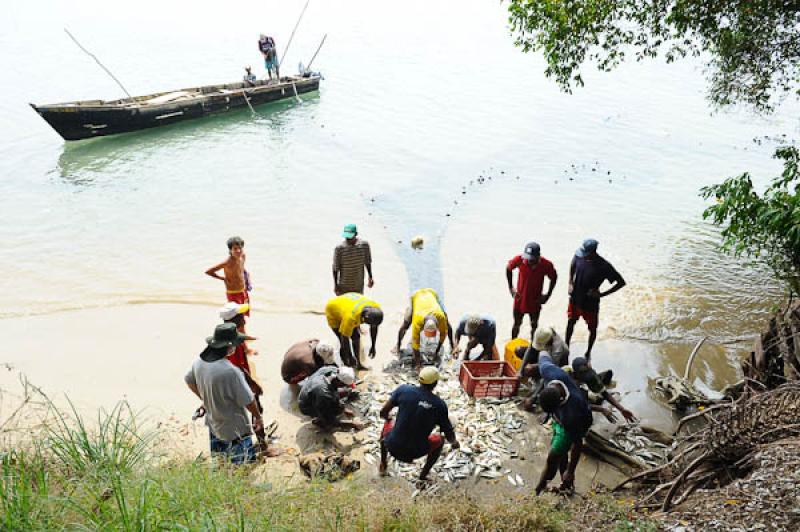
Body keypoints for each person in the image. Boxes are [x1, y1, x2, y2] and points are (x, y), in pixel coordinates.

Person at [529, 352, 614, 494]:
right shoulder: (549, 372)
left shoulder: (572, 413)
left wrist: (572, 470)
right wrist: (533, 365)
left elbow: (578, 443)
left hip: (575, 425)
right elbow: (543, 354)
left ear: (561, 401)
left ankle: (540, 488)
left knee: (553, 459)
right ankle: (566, 484)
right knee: (561, 455)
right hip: (561, 421)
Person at [184, 323, 270, 464]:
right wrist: (258, 418)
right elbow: (249, 400)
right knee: (242, 469)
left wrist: (206, 399)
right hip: (235, 431)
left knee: (220, 462)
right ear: (229, 347)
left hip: (214, 425)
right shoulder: (231, 371)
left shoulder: (198, 362)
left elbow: (189, 381)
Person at [379, 367, 460, 481]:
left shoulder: (403, 390)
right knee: (440, 441)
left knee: (387, 424)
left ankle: (383, 463)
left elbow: (383, 413)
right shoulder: (439, 405)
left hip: (392, 445)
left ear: (419, 380)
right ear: (435, 383)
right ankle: (423, 476)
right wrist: (454, 443)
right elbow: (448, 433)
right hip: (416, 452)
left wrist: (389, 418)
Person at [565, 239, 626, 359]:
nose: (582, 255)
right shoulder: (579, 256)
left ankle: (588, 352)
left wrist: (602, 294)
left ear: (593, 252)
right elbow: (572, 265)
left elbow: (621, 282)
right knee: (571, 321)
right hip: (575, 298)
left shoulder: (603, 266)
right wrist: (570, 282)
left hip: (590, 303)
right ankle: (566, 346)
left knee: (592, 329)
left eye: (585, 253)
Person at [506, 241, 558, 341]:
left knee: (534, 325)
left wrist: (548, 295)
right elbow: (508, 268)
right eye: (528, 258)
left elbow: (554, 277)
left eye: (532, 259)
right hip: (520, 299)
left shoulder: (546, 264)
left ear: (538, 256)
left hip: (535, 300)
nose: (529, 261)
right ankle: (512, 343)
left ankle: (533, 347)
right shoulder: (520, 260)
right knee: (516, 324)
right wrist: (511, 288)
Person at [395, 288, 454, 369]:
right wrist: (418, 364)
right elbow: (415, 345)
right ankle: (397, 345)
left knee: (447, 323)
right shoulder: (417, 321)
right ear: (423, 326)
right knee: (406, 324)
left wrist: (436, 353)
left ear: (437, 326)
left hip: (432, 293)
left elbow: (443, 335)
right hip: (416, 296)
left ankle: (453, 345)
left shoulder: (441, 318)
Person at [567, 357, 636, 423]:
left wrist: (622, 409)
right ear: (575, 374)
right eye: (584, 375)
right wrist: (601, 409)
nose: (587, 377)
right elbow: (580, 405)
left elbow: (604, 393)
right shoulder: (568, 382)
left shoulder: (589, 374)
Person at [325, 293, 383, 370]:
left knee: (356, 336)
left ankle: (358, 364)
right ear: (364, 318)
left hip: (349, 303)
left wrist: (373, 346)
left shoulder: (376, 309)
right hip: (333, 310)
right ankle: (346, 366)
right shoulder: (351, 318)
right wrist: (350, 356)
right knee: (342, 340)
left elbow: (374, 328)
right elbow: (344, 338)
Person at [298, 366, 361, 430]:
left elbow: (335, 392)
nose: (345, 386)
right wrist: (352, 424)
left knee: (345, 393)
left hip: (311, 391)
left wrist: (344, 409)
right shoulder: (324, 394)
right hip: (305, 405)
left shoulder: (332, 370)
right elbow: (331, 421)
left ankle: (325, 412)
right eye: (345, 385)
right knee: (333, 414)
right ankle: (320, 422)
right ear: (339, 382)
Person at [205, 236, 251, 318]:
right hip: (233, 293)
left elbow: (241, 269)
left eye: (240, 248)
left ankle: (240, 330)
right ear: (230, 250)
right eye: (235, 249)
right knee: (236, 318)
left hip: (243, 291)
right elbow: (209, 271)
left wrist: (247, 278)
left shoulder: (242, 256)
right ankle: (238, 330)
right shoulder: (227, 262)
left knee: (243, 316)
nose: (238, 251)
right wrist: (222, 278)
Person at [333, 223, 374, 295]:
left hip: (358, 285)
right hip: (343, 286)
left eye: (350, 237)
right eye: (346, 237)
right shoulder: (339, 248)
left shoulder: (364, 245)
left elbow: (367, 262)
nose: (348, 239)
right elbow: (335, 268)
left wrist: (370, 277)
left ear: (356, 234)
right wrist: (336, 285)